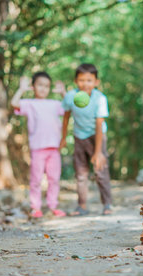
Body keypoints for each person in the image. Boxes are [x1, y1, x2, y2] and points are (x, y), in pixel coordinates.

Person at [57, 63, 112, 216]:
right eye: (81, 80)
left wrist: (98, 152)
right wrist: (63, 138)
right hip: (79, 136)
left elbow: (99, 125)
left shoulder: (100, 98)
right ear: (76, 81)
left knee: (100, 171)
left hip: (97, 136)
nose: (85, 84)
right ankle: (81, 206)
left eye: (89, 80)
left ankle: (107, 204)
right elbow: (66, 118)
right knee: (81, 173)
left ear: (96, 82)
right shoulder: (70, 96)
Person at [11, 72, 66, 218]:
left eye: (47, 86)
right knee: (36, 179)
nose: (43, 89)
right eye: (40, 85)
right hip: (37, 148)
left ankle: (53, 206)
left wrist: (63, 92)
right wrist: (21, 89)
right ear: (33, 86)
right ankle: (36, 207)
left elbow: (68, 107)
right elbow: (14, 103)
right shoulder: (29, 103)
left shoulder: (55, 104)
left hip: (54, 148)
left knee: (54, 179)